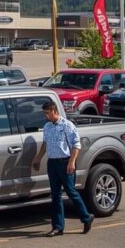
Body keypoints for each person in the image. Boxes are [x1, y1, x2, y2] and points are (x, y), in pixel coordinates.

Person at [32, 100, 94, 237]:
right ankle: (58, 227)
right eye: (44, 113)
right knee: (55, 195)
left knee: (71, 192)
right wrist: (38, 158)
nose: (46, 116)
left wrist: (71, 162)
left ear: (55, 111)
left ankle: (86, 217)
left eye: (47, 113)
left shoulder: (67, 126)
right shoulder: (47, 127)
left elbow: (76, 145)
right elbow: (45, 144)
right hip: (52, 163)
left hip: (65, 162)